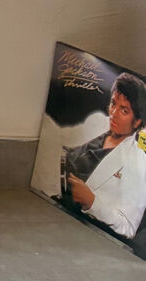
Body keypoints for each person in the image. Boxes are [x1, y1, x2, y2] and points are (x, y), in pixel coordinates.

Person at [62, 71, 146, 239]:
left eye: (124, 110)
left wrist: (92, 202)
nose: (113, 113)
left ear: (137, 121)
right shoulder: (96, 130)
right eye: (113, 103)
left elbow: (128, 227)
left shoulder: (138, 163)